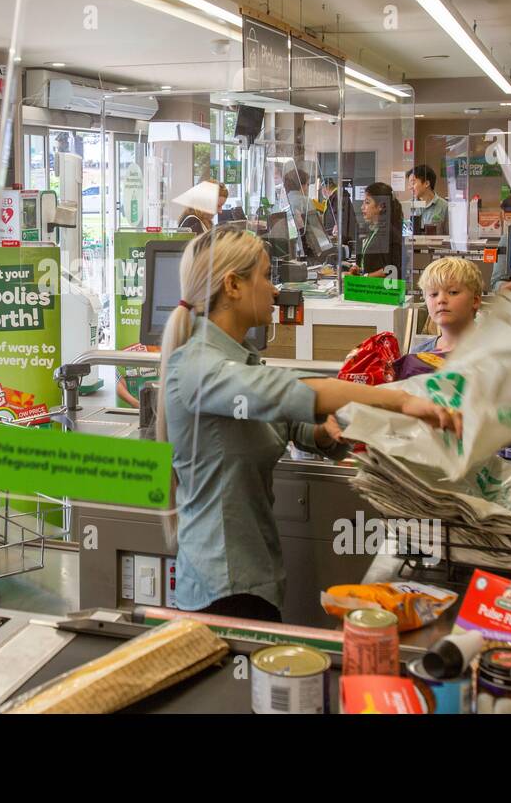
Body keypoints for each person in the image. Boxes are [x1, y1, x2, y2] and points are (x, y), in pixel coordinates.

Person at [156, 226, 461, 622]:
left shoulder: (240, 359)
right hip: (223, 587)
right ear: (233, 285)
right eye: (266, 276)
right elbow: (283, 393)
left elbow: (280, 419)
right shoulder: (198, 367)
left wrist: (322, 430)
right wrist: (399, 399)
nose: (275, 288)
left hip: (255, 575)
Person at [400, 257, 484, 379]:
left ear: (475, 301)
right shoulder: (418, 356)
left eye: (453, 292)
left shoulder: (495, 353)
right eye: (433, 294)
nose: (441, 300)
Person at [348, 182, 405, 279]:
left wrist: (365, 277)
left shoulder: (389, 233)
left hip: (382, 291)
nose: (362, 207)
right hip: (371, 288)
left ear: (381, 206)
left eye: (367, 202)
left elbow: (391, 269)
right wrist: (359, 269)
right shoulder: (373, 230)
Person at [407, 164, 449, 234]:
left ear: (426, 183)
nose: (410, 187)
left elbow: (449, 237)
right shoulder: (408, 205)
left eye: (413, 183)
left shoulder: (444, 206)